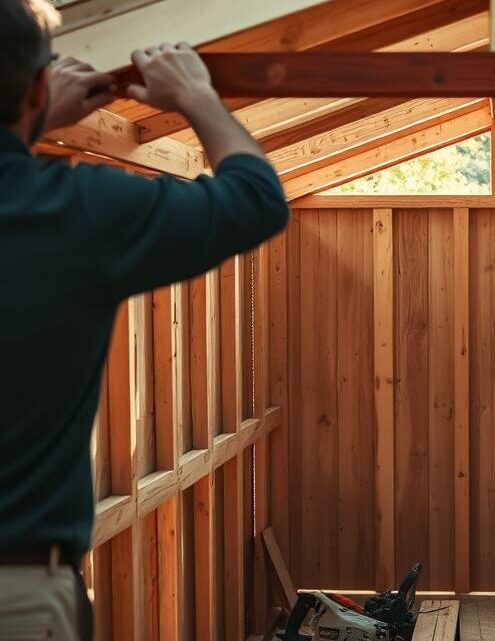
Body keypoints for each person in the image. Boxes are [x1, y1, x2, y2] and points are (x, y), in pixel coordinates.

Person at [0, 1, 289, 637]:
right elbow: (257, 201)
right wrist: (197, 96)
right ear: (38, 85)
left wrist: (31, 118)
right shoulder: (71, 211)